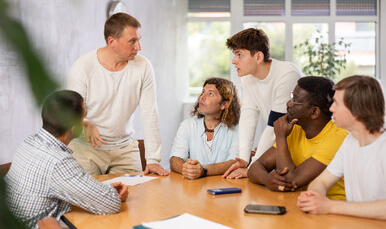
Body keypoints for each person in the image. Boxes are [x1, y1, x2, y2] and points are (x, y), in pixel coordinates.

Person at [5, 90, 128, 228]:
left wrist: (101, 190)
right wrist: (112, 195)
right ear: (75, 128)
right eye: (84, 118)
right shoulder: (59, 162)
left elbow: (68, 187)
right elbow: (110, 204)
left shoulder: (28, 143)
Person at [67, 13, 168, 176]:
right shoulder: (83, 67)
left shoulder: (143, 67)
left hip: (125, 150)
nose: (139, 47)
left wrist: (153, 160)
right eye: (132, 41)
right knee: (87, 201)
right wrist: (85, 123)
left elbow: (150, 113)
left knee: (136, 198)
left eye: (139, 39)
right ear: (112, 42)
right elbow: (69, 113)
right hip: (86, 151)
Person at [297, 75, 386, 220]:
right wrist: (312, 197)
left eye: (337, 104)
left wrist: (329, 206)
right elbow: (321, 182)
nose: (331, 108)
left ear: (356, 110)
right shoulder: (350, 141)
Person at [247, 76, 347, 200]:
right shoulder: (295, 129)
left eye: (295, 100)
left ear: (314, 112)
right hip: (298, 203)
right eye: (291, 96)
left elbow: (290, 181)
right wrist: (267, 179)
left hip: (331, 210)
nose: (288, 103)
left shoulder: (337, 138)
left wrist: (281, 137)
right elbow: (255, 166)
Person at [223, 28, 303, 179]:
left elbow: (275, 125)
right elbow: (248, 117)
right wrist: (244, 160)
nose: (234, 61)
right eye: (234, 55)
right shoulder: (247, 78)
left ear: (258, 56)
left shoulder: (287, 74)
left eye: (239, 55)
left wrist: (253, 167)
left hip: (300, 143)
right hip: (281, 142)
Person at [170, 78, 240, 179]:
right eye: (203, 92)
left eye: (210, 94)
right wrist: (186, 169)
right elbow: (175, 159)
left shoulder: (236, 129)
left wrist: (203, 170)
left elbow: (235, 162)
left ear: (224, 104)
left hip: (224, 189)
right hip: (193, 189)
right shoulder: (187, 125)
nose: (202, 97)